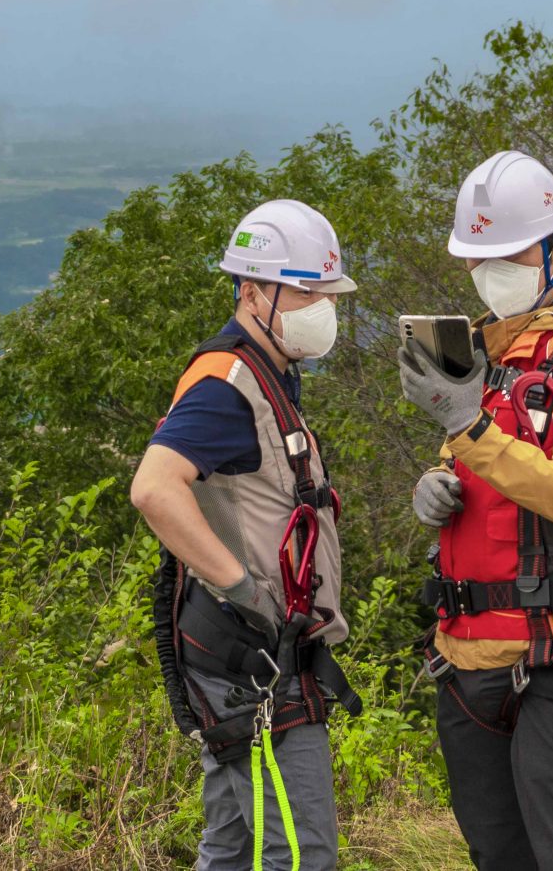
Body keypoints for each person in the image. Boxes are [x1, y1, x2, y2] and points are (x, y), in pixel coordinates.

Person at [398, 151, 553, 871]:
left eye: (507, 256)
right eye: (478, 260)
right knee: (498, 857)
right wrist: (438, 483)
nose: (491, 274)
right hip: (466, 650)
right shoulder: (487, 355)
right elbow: (478, 467)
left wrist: (465, 429)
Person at [132, 198, 361, 871]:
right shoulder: (228, 383)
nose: (322, 306)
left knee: (231, 850)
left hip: (246, 659)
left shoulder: (268, 374)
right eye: (306, 291)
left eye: (327, 293)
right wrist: (241, 588)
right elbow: (153, 487)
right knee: (300, 855)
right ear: (253, 291)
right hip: (256, 666)